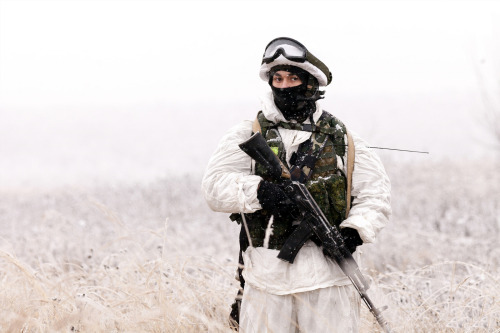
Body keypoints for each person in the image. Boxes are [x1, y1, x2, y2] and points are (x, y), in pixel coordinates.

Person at [202, 37, 391, 333]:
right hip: (266, 282)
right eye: (278, 78)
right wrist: (262, 192)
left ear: (311, 83)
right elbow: (214, 187)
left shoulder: (343, 140)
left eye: (293, 78)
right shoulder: (247, 133)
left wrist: (355, 231)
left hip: (329, 282)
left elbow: (375, 195)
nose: (285, 85)